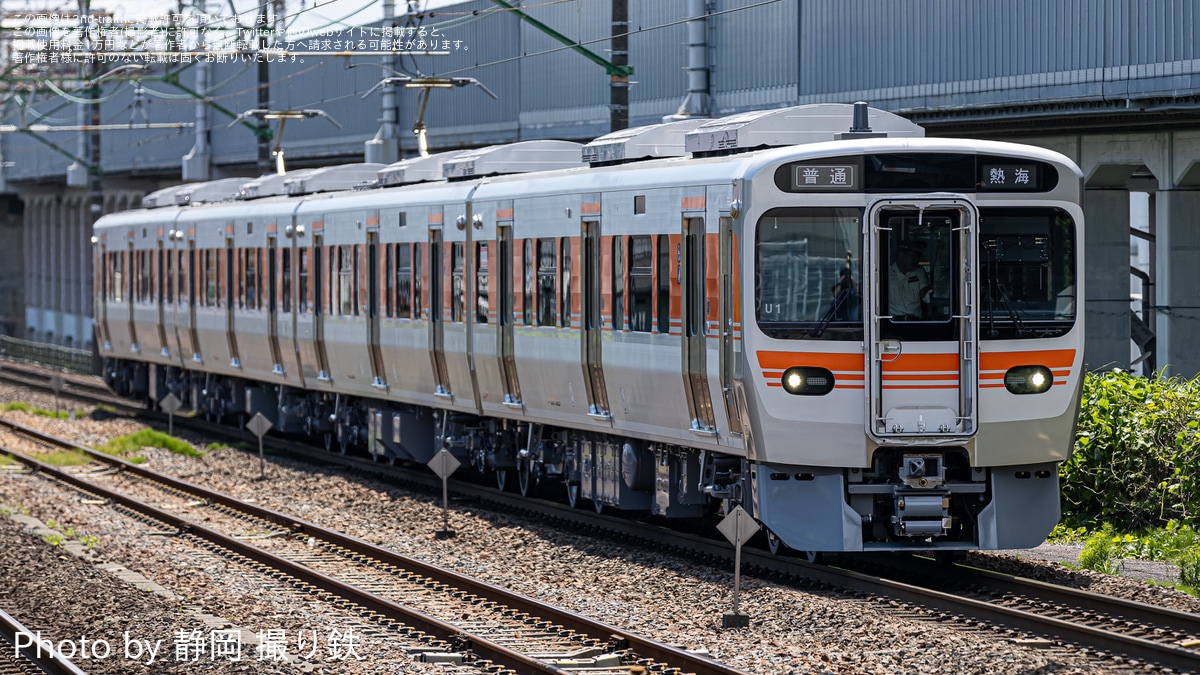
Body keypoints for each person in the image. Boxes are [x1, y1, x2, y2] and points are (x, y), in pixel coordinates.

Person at [888, 241, 931, 319]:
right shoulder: (887, 274)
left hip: (915, 322)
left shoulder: (919, 272)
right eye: (913, 256)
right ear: (901, 255)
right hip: (893, 322)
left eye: (918, 257)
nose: (916, 260)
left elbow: (925, 294)